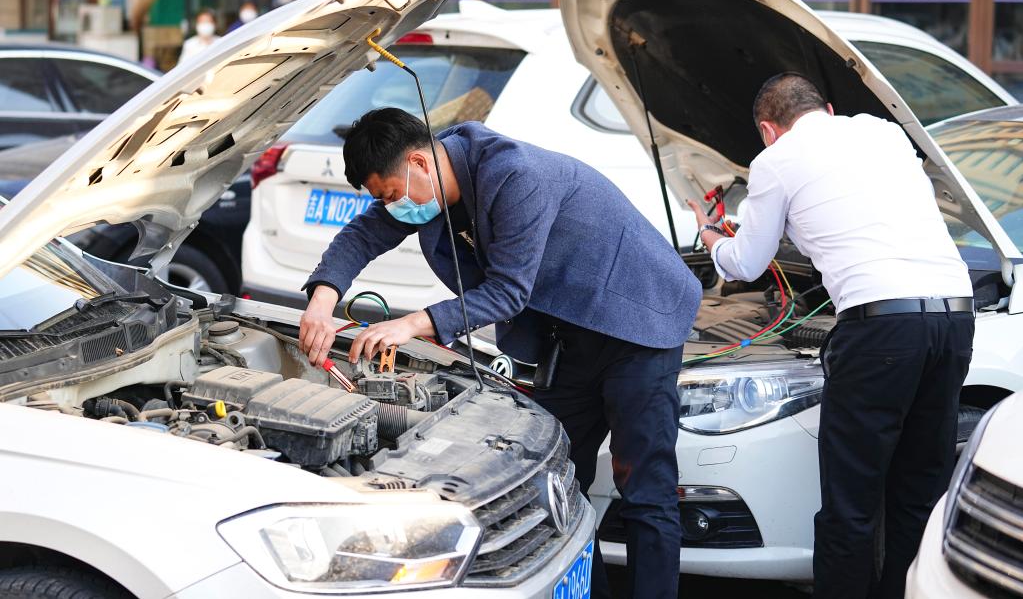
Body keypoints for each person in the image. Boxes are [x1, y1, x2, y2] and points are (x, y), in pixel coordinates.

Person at [299, 108, 702, 599]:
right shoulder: (429, 180)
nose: (393, 207)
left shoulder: (512, 174)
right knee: (556, 481)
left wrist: (411, 324)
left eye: (393, 195)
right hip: (569, 336)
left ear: (420, 163)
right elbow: (364, 234)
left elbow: (508, 290)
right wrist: (322, 303)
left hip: (639, 321)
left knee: (645, 491)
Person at [686, 73, 975, 599]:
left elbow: (747, 262)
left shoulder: (775, 160)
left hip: (881, 329)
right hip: (955, 316)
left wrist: (711, 238)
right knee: (920, 491)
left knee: (851, 500)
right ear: (829, 108)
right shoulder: (883, 132)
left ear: (769, 131)